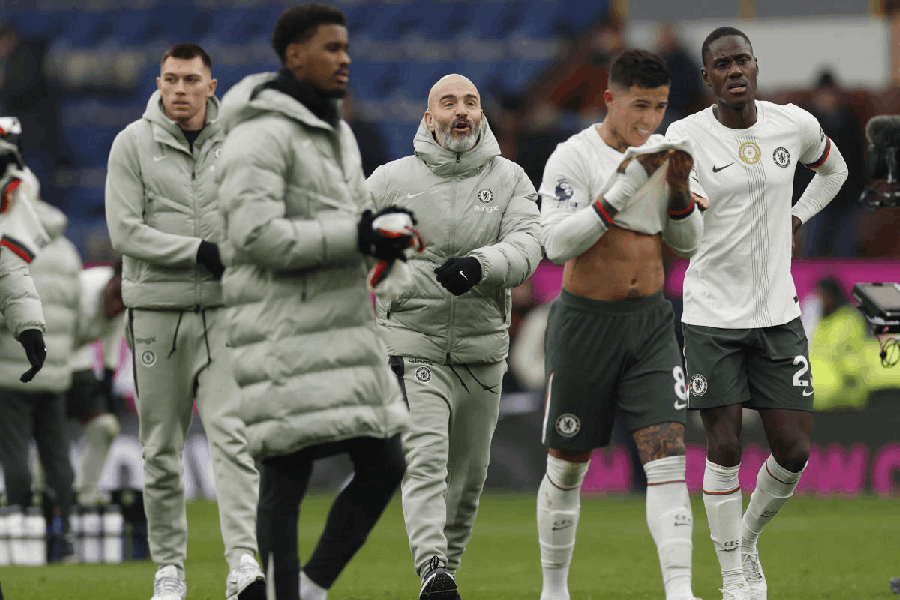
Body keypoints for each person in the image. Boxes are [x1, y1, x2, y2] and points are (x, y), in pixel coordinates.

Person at [215, 5, 410, 600]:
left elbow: (347, 219)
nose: (345, 58)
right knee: (285, 474)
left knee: (384, 464)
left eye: (346, 47)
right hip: (280, 327)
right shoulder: (256, 134)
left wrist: (383, 233)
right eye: (331, 48)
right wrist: (355, 236)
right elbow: (254, 236)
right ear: (294, 56)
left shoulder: (338, 132)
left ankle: (311, 585)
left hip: (342, 326)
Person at [665, 27, 849, 600]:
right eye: (722, 64)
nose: (734, 70)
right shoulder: (685, 137)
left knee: (793, 451)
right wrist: (675, 196)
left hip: (777, 313)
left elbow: (834, 171)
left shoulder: (791, 124)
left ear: (756, 66)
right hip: (712, 316)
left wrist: (797, 217)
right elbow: (684, 239)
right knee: (723, 446)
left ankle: (743, 543)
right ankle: (732, 578)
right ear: (708, 77)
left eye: (742, 59)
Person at [366, 73, 542, 600]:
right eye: (448, 103)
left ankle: (444, 576)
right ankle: (432, 568)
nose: (460, 111)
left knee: (467, 480)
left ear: (482, 116)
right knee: (424, 459)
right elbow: (351, 241)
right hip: (410, 342)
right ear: (429, 117)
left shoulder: (510, 178)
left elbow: (530, 244)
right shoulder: (390, 181)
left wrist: (481, 265)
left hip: (481, 349)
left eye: (470, 102)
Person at [537, 49, 703, 600]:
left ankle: (680, 591)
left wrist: (678, 192)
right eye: (639, 106)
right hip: (586, 324)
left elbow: (686, 244)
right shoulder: (573, 156)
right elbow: (557, 245)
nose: (649, 121)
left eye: (658, 107)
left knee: (668, 461)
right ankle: (555, 589)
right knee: (567, 468)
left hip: (652, 324)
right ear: (610, 99)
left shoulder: (667, 153)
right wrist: (622, 188)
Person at [104, 42, 265, 600]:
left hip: (225, 313)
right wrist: (199, 251)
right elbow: (124, 232)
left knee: (233, 440)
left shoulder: (239, 143)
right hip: (156, 314)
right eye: (170, 79)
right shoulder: (131, 144)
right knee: (160, 449)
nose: (178, 89)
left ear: (211, 86)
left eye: (190, 80)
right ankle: (169, 568)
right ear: (159, 82)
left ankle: (243, 561)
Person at [67, 259, 126, 505]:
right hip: (50, 356)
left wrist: (109, 374)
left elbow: (115, 330)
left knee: (105, 427)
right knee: (50, 433)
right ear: (111, 281)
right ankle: (48, 495)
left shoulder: (128, 295)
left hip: (79, 356)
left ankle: (86, 492)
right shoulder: (82, 287)